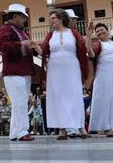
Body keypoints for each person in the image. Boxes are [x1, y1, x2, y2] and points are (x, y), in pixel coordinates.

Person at [40, 9, 89, 140]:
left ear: (61, 19)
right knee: (58, 97)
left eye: (53, 18)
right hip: (54, 70)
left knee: (75, 96)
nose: (51, 21)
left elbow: (83, 47)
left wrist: (89, 35)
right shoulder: (50, 35)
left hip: (72, 67)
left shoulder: (73, 33)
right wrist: (35, 46)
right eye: (50, 19)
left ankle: (81, 127)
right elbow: (43, 51)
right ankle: (62, 130)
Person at [0, 4, 41, 141]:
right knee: (20, 103)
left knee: (19, 103)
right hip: (14, 71)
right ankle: (22, 131)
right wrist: (22, 44)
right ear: (15, 16)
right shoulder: (5, 30)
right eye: (23, 17)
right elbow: (3, 46)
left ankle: (15, 133)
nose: (25, 20)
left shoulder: (21, 32)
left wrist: (34, 47)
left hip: (24, 71)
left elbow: (27, 48)